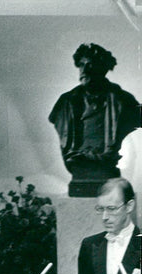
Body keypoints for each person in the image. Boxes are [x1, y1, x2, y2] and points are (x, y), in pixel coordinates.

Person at [49, 43, 139, 196]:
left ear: (103, 68)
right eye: (81, 65)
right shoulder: (66, 103)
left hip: (107, 168)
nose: (84, 70)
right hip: (79, 169)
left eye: (91, 65)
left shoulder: (124, 101)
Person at [70, 177, 141, 274]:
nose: (105, 217)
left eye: (111, 209)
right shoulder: (90, 245)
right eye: (100, 209)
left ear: (129, 206)